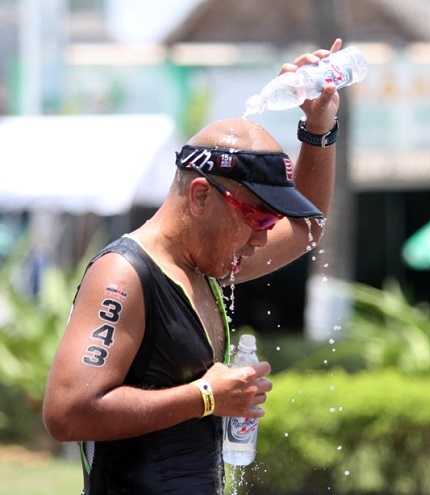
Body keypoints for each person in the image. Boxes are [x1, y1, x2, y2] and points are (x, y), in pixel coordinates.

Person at [43, 38, 342, 495]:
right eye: (257, 216)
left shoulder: (208, 267)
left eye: (271, 220)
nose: (264, 236)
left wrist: (317, 129)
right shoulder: (125, 275)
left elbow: (307, 228)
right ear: (201, 196)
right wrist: (205, 397)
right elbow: (67, 413)